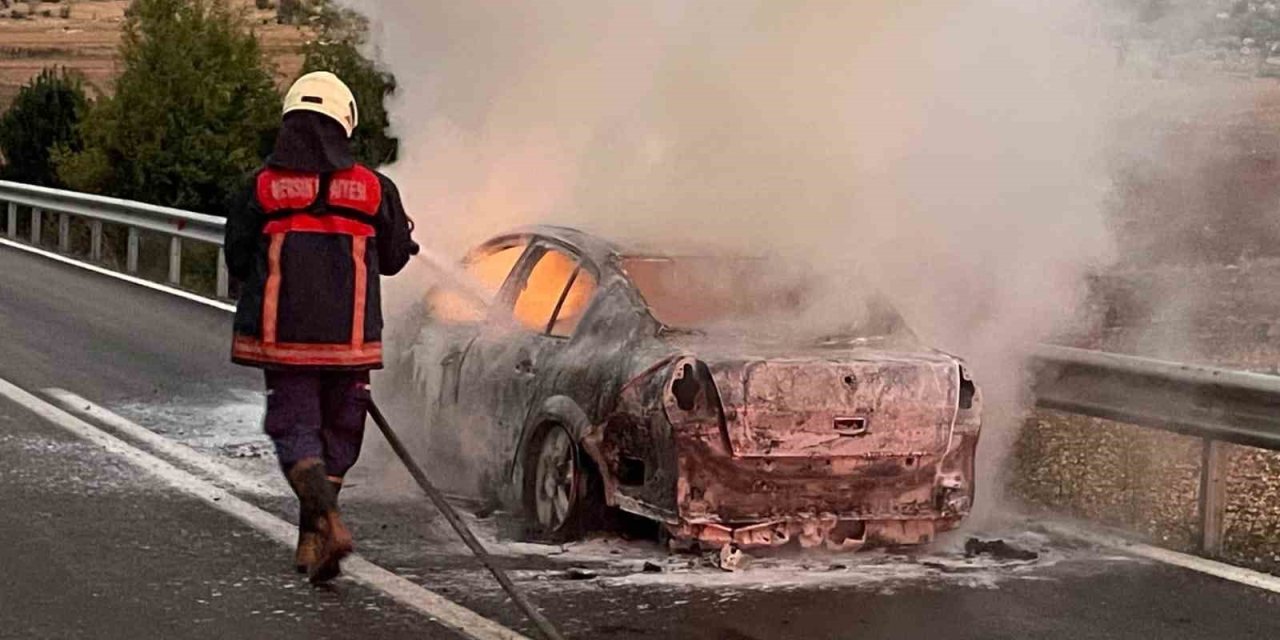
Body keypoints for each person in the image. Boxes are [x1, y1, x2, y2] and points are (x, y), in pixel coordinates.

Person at [224, 71, 417, 583]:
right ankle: (315, 532)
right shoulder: (375, 189)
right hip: (349, 344)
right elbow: (395, 259)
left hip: (282, 340)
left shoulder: (261, 187)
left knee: (295, 431)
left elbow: (238, 256)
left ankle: (322, 525)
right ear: (345, 123)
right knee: (339, 436)